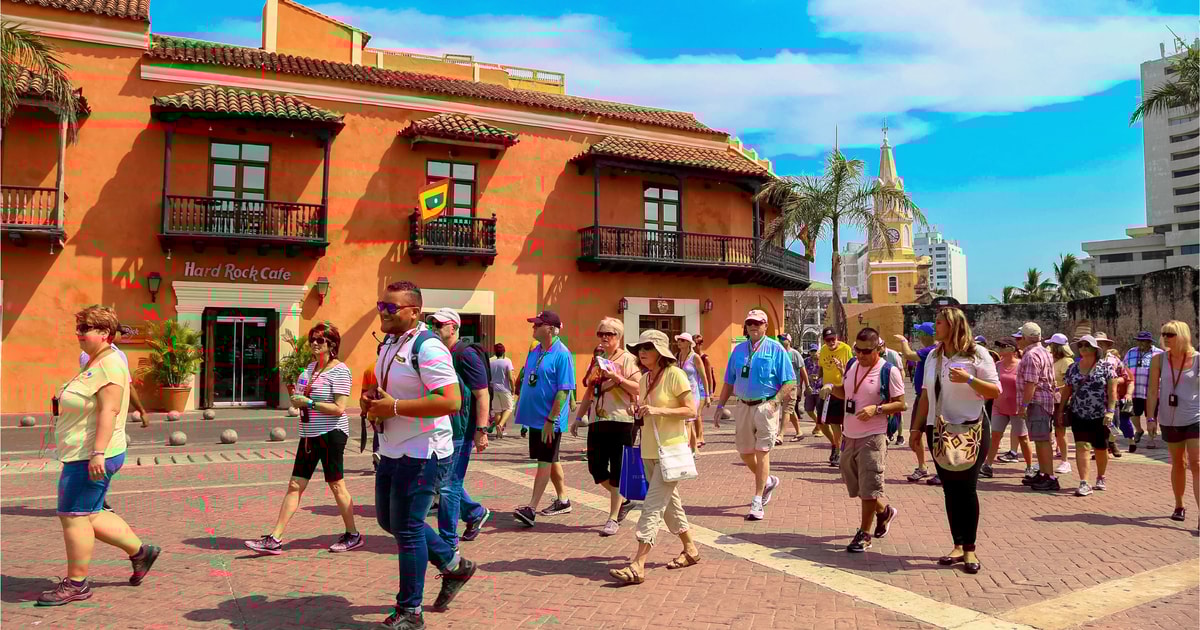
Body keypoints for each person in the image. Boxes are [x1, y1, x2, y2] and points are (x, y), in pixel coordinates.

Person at [362, 281, 475, 629]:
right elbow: (390, 392)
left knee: (408, 528)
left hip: (424, 451)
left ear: (414, 312)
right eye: (382, 305)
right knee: (388, 521)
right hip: (393, 448)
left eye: (391, 308)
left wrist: (393, 407)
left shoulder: (428, 347)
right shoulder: (391, 344)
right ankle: (454, 565)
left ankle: (410, 611)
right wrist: (372, 401)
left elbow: (450, 400)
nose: (383, 311)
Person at [40, 306, 159, 606]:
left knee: (74, 515)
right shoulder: (97, 360)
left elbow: (110, 410)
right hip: (87, 452)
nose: (78, 333)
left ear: (104, 333)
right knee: (91, 513)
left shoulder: (109, 365)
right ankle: (142, 553)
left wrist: (97, 453)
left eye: (84, 328)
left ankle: (77, 583)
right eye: (78, 327)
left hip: (91, 455)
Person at [245, 322, 363, 555]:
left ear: (332, 344)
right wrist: (298, 400)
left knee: (336, 484)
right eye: (312, 339)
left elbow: (340, 408)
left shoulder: (340, 370)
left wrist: (309, 403)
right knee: (295, 484)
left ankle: (353, 534)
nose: (314, 344)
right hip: (309, 434)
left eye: (320, 340)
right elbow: (298, 396)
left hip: (332, 433)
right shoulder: (309, 369)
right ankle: (275, 539)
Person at [608, 330, 702, 584]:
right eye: (640, 347)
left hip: (671, 451)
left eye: (648, 347)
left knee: (652, 506)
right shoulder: (645, 379)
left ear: (661, 352)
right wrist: (637, 411)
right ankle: (691, 549)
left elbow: (690, 410)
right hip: (649, 450)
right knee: (671, 505)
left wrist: (657, 409)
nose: (642, 352)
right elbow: (645, 414)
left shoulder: (675, 375)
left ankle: (638, 563)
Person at [915, 309, 999, 573]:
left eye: (939, 323)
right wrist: (916, 428)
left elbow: (995, 390)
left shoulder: (977, 354)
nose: (935, 327)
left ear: (953, 326)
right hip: (938, 429)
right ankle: (957, 544)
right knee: (950, 490)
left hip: (971, 429)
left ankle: (971, 549)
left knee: (968, 489)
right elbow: (926, 395)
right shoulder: (933, 356)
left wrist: (969, 379)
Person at [714, 309, 796, 520]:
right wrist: (719, 406)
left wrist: (775, 402)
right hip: (742, 405)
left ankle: (757, 501)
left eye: (757, 323)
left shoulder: (776, 349)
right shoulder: (739, 350)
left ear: (765, 326)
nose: (753, 326)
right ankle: (768, 482)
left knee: (762, 451)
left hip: (765, 406)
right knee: (744, 452)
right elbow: (729, 381)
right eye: (750, 322)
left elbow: (789, 381)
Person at [832, 327, 906, 553]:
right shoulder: (852, 365)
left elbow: (901, 403)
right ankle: (884, 511)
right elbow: (847, 393)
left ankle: (864, 533)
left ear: (878, 349)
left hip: (873, 436)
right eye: (858, 350)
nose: (861, 355)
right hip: (850, 434)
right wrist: (830, 389)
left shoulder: (888, 370)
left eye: (866, 351)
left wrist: (877, 409)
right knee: (854, 483)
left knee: (870, 486)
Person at [427, 308, 492, 547]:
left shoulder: (465, 354)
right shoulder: (440, 353)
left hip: (461, 430)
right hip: (442, 427)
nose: (435, 328)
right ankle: (475, 513)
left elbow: (482, 394)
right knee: (442, 481)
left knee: (448, 486)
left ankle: (448, 540)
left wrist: (481, 430)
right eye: (433, 324)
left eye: (440, 324)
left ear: (453, 327)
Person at [572, 317, 640, 536]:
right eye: (600, 334)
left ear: (618, 337)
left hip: (621, 420)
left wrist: (616, 377)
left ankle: (612, 517)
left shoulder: (628, 359)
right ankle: (625, 500)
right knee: (596, 469)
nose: (603, 338)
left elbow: (638, 388)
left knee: (618, 472)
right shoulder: (597, 359)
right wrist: (579, 416)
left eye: (608, 334)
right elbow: (590, 391)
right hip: (598, 420)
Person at [512, 311, 576, 527]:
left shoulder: (562, 354)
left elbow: (563, 391)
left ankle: (531, 508)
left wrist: (551, 419)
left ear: (550, 328)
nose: (533, 328)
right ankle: (564, 500)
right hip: (536, 419)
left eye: (537, 324)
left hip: (549, 421)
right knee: (551, 459)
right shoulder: (536, 351)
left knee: (544, 462)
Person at [1146, 320, 1199, 527]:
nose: (1166, 337)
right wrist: (1151, 418)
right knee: (1179, 462)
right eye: (1164, 333)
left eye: (1171, 334)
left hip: (1195, 417)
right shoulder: (1159, 360)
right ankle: (1179, 504)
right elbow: (1152, 391)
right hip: (1169, 419)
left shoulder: (1197, 360)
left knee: (1197, 464)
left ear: (1183, 335)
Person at [1060, 335, 1118, 496]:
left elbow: (1112, 391)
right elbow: (1067, 389)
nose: (1083, 348)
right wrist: (1060, 410)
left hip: (1101, 414)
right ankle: (1084, 482)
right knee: (1082, 446)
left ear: (1095, 349)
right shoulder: (1073, 368)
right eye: (1081, 345)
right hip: (1079, 413)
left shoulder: (1106, 367)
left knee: (1100, 448)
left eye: (1087, 345)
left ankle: (1100, 476)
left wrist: (1111, 411)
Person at [1017, 323, 1063, 492]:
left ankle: (1049, 476)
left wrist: (1023, 405)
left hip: (1037, 401)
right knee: (1040, 438)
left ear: (1024, 338)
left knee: (1042, 440)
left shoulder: (1030, 356)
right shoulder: (1045, 351)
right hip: (1044, 400)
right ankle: (1044, 473)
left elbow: (1031, 383)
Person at [982, 338, 1033, 479]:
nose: (1000, 349)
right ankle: (988, 465)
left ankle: (1029, 467)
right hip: (999, 407)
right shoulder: (997, 365)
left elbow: (1029, 385)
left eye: (1003, 346)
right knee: (995, 436)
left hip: (1017, 408)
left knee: (1023, 438)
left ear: (1012, 349)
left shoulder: (1022, 365)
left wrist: (1025, 405)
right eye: (999, 346)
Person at [79, 324, 148, 428]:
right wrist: (142, 410)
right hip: (110, 409)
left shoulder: (84, 353)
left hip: (89, 408)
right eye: (121, 333)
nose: (122, 337)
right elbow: (128, 385)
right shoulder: (118, 354)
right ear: (113, 334)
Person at [894, 323, 938, 483]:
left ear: (926, 335)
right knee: (916, 433)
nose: (919, 337)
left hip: (930, 399)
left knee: (934, 436)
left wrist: (903, 341)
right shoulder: (930, 350)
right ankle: (922, 467)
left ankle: (941, 470)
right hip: (921, 397)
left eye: (920, 333)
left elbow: (909, 355)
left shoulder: (931, 350)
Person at [816, 326, 854, 467]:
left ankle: (839, 451)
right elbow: (822, 367)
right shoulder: (824, 350)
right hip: (827, 391)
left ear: (837, 337)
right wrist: (817, 377)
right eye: (828, 340)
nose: (831, 342)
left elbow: (852, 370)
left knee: (840, 424)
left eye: (833, 339)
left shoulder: (845, 349)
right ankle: (835, 444)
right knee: (822, 422)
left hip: (841, 391)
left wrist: (841, 369)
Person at [1125, 331, 1163, 452]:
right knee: (1133, 414)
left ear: (1149, 342)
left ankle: (1151, 439)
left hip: (1152, 390)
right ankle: (1139, 430)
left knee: (1151, 415)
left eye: (1144, 341)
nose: (1141, 343)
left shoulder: (1159, 353)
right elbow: (1124, 367)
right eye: (1139, 340)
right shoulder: (1131, 352)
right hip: (1135, 390)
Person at [1095, 333, 1129, 459]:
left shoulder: (1114, 360)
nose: (1099, 346)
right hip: (1095, 398)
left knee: (1115, 422)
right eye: (1096, 343)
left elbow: (1124, 376)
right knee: (1098, 425)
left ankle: (1111, 442)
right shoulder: (1089, 359)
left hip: (1112, 397)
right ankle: (1101, 449)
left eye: (1101, 344)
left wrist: (1114, 381)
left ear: (1106, 346)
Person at [675, 332, 712, 450]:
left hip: (694, 393)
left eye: (682, 340)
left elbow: (704, 376)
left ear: (689, 343)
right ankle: (694, 449)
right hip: (681, 392)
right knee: (687, 421)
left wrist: (707, 395)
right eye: (679, 340)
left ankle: (687, 448)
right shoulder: (677, 356)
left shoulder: (695, 357)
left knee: (688, 421)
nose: (679, 342)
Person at [1047, 333, 1075, 475]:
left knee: (1060, 430)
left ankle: (1065, 461)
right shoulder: (1052, 360)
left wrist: (1057, 388)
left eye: (1052, 344)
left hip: (1060, 401)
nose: (1049, 347)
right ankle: (1045, 460)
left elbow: (1069, 384)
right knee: (1048, 431)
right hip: (1049, 400)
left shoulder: (1067, 362)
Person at [777, 333, 809, 444]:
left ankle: (780, 435)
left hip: (792, 385)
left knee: (786, 410)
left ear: (789, 341)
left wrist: (807, 386)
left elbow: (803, 370)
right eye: (780, 338)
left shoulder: (795, 354)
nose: (781, 340)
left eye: (783, 338)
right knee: (790, 410)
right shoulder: (779, 353)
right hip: (781, 386)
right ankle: (799, 432)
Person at [879, 336, 904, 445]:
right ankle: (887, 433)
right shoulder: (876, 355)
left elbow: (901, 370)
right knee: (884, 410)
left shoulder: (893, 355)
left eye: (879, 347)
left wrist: (900, 387)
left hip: (895, 387)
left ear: (883, 346)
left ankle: (900, 435)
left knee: (898, 411)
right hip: (883, 388)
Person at [489, 343, 516, 438]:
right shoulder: (507, 362)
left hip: (495, 390)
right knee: (509, 408)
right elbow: (511, 377)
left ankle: (498, 433)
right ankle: (500, 425)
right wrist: (513, 389)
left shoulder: (491, 363)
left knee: (497, 411)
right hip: (505, 389)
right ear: (504, 352)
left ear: (495, 352)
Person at [693, 333, 718, 409]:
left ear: (700, 344)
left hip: (702, 390)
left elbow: (709, 377)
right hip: (693, 389)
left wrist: (710, 393)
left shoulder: (704, 358)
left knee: (697, 413)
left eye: (696, 344)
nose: (694, 346)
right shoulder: (691, 357)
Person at [802, 343, 823, 430]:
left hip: (820, 389)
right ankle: (818, 424)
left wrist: (819, 377)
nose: (814, 353)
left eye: (815, 351)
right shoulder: (806, 361)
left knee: (820, 410)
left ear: (818, 351)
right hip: (810, 389)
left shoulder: (822, 361)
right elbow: (802, 373)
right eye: (812, 351)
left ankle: (819, 427)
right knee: (808, 409)